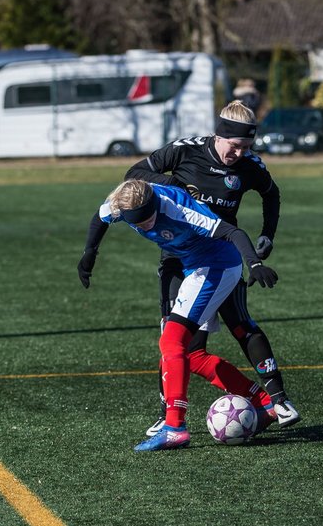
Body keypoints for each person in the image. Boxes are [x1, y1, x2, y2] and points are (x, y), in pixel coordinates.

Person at [124, 100, 300, 434]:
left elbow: (272, 195)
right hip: (177, 257)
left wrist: (268, 236)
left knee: (240, 323)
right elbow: (133, 174)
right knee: (177, 342)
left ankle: (278, 399)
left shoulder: (250, 165)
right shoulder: (184, 151)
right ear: (219, 134)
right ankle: (169, 415)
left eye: (247, 147)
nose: (240, 153)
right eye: (235, 146)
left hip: (222, 255)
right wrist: (173, 186)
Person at [77, 178, 279, 451]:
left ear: (154, 205)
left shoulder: (177, 209)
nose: (146, 225)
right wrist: (89, 254)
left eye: (149, 219)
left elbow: (233, 232)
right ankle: (263, 403)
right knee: (193, 356)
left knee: (171, 342)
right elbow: (99, 219)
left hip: (217, 266)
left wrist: (254, 263)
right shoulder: (119, 204)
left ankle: (174, 427)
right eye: (138, 223)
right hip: (193, 268)